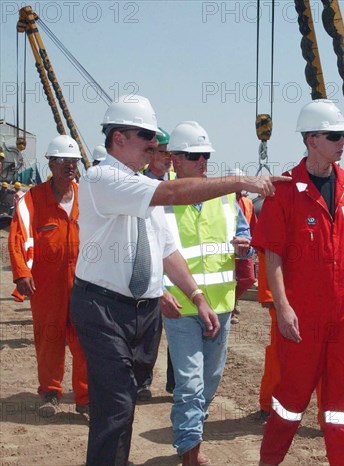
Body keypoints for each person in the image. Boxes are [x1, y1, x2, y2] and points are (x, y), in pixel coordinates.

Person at [70, 94, 288, 466]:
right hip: (103, 306)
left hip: (142, 313)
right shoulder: (102, 178)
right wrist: (242, 181)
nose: (155, 147)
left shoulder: (139, 185)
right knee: (117, 404)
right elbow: (170, 192)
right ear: (119, 137)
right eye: (146, 138)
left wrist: (197, 295)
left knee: (126, 402)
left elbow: (167, 251)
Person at [254, 99, 344, 466]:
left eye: (343, 135)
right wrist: (283, 307)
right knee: (290, 401)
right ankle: (270, 461)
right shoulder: (284, 189)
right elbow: (272, 255)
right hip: (302, 318)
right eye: (335, 136)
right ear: (311, 140)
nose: (343, 142)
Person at [161, 121, 253, 465]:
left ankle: (191, 432)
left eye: (206, 155)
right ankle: (190, 452)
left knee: (210, 381)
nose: (202, 161)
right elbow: (149, 249)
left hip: (221, 306)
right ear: (175, 160)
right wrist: (158, 290)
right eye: (194, 155)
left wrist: (244, 247)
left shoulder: (226, 197)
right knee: (190, 384)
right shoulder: (161, 198)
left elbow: (244, 241)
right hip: (182, 307)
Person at [8, 134, 88, 418]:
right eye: (64, 160)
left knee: (84, 340)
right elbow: (17, 236)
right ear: (51, 164)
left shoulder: (86, 196)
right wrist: (21, 273)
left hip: (83, 284)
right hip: (46, 283)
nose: (70, 166)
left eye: (74, 161)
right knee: (49, 337)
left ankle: (85, 398)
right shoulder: (32, 200)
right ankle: (50, 392)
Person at [256, 249, 324, 427]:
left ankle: (330, 418)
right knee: (280, 355)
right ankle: (270, 406)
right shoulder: (278, 219)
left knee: (326, 358)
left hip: (325, 298)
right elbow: (268, 247)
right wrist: (269, 294)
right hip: (287, 298)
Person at [137, 128, 171, 402]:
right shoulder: (139, 186)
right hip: (149, 270)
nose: (168, 158)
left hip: (176, 268)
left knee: (179, 332)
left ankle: (175, 383)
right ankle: (141, 381)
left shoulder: (176, 186)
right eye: (162, 152)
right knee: (148, 333)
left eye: (171, 153)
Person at [226, 167, 257, 324]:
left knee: (249, 278)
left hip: (245, 250)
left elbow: (252, 226)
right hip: (226, 251)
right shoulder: (222, 200)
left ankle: (233, 300)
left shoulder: (248, 203)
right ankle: (230, 307)